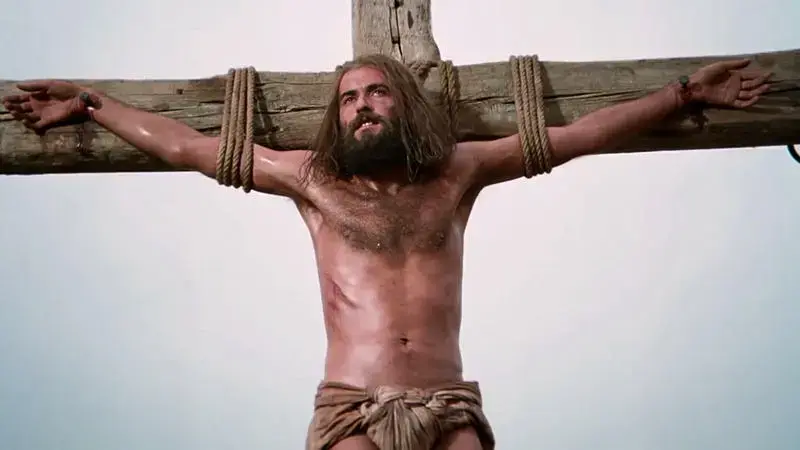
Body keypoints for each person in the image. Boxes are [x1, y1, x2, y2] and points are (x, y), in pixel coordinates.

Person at [2, 54, 770, 449]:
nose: (362, 106)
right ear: (335, 118)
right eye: (349, 99)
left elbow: (569, 138)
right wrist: (93, 104)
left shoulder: (457, 172)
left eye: (376, 93)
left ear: (402, 103)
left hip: (448, 404)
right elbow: (189, 148)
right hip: (352, 412)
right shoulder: (312, 180)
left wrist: (682, 93)